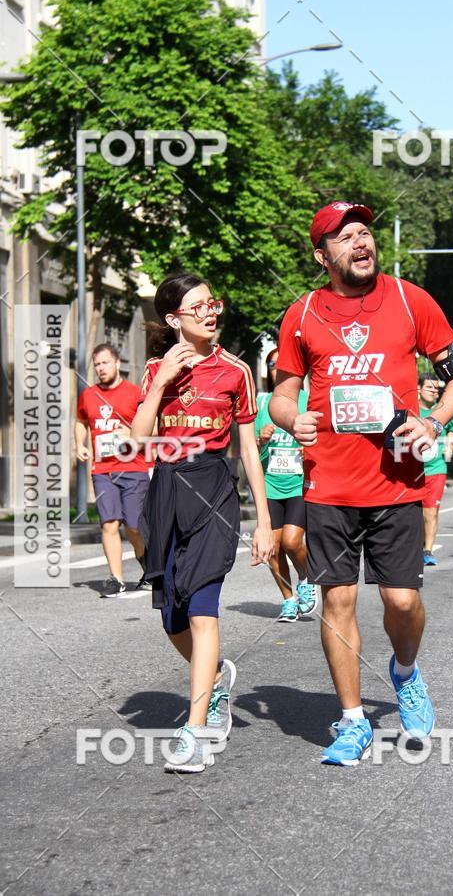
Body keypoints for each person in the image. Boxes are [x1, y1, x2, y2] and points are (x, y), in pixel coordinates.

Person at [269, 201, 453, 766]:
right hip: (328, 484)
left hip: (398, 482)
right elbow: (282, 394)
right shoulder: (303, 312)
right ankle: (353, 720)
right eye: (344, 236)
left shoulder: (411, 299)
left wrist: (433, 422)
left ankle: (405, 671)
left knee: (402, 599)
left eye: (365, 232)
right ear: (323, 255)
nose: (360, 241)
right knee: (336, 601)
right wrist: (293, 419)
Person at [131, 272, 274, 774]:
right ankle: (213, 681)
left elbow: (249, 451)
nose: (211, 311)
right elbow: (136, 440)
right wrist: (164, 382)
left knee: (202, 607)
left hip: (213, 485)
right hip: (166, 488)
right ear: (173, 319)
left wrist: (264, 522)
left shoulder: (236, 371)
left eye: (213, 303)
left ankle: (196, 732)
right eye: (198, 306)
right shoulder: (154, 370)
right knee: (172, 617)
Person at [75, 343, 152, 597]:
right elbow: (80, 421)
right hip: (102, 470)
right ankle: (116, 579)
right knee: (109, 524)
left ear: (117, 363)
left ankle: (149, 565)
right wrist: (79, 445)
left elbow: (154, 428)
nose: (100, 368)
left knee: (133, 525)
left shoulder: (134, 393)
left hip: (133, 468)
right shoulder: (88, 395)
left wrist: (131, 433)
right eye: (97, 364)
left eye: (105, 363)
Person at [255, 347, 318, 621]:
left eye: (283, 364)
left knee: (292, 542)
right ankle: (288, 599)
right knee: (274, 547)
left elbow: (325, 442)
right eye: (272, 364)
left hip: (298, 485)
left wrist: (310, 451)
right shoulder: (262, 404)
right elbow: (251, 454)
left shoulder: (309, 401)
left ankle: (306, 578)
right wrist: (262, 440)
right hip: (269, 485)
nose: (277, 368)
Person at [418, 373, 453, 567]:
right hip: (412, 471)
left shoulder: (441, 412)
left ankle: (428, 551)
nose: (434, 391)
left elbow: (451, 427)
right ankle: (416, 545)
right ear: (419, 389)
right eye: (430, 388)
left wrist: (450, 444)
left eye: (436, 389)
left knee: (431, 512)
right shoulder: (411, 412)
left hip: (436, 468)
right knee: (412, 513)